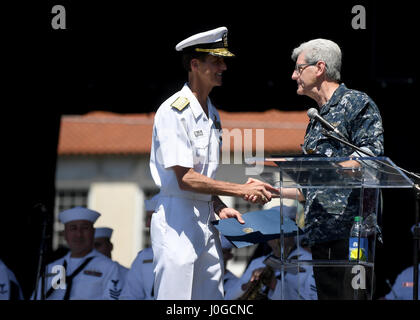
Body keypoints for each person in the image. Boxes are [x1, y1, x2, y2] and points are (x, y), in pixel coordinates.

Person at [149, 26, 278, 300]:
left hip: (206, 220)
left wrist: (219, 205)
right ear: (195, 64)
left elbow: (203, 174)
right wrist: (240, 190)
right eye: (216, 61)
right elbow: (186, 178)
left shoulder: (212, 114)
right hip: (177, 220)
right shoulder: (174, 111)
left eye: (224, 60)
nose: (223, 67)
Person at [277, 38, 384, 299]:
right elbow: (311, 189)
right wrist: (275, 191)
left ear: (320, 67)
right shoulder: (316, 119)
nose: (293, 75)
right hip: (320, 235)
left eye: (299, 68)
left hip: (352, 233)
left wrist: (329, 169)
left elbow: (371, 158)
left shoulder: (356, 103)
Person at [32, 207, 124, 300]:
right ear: (65, 234)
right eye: (73, 228)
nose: (79, 234)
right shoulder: (51, 268)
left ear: (93, 233)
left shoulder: (109, 268)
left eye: (85, 228)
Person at [120, 195, 159, 300]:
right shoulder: (143, 257)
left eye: (151, 218)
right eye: (147, 218)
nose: (147, 224)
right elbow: (129, 296)